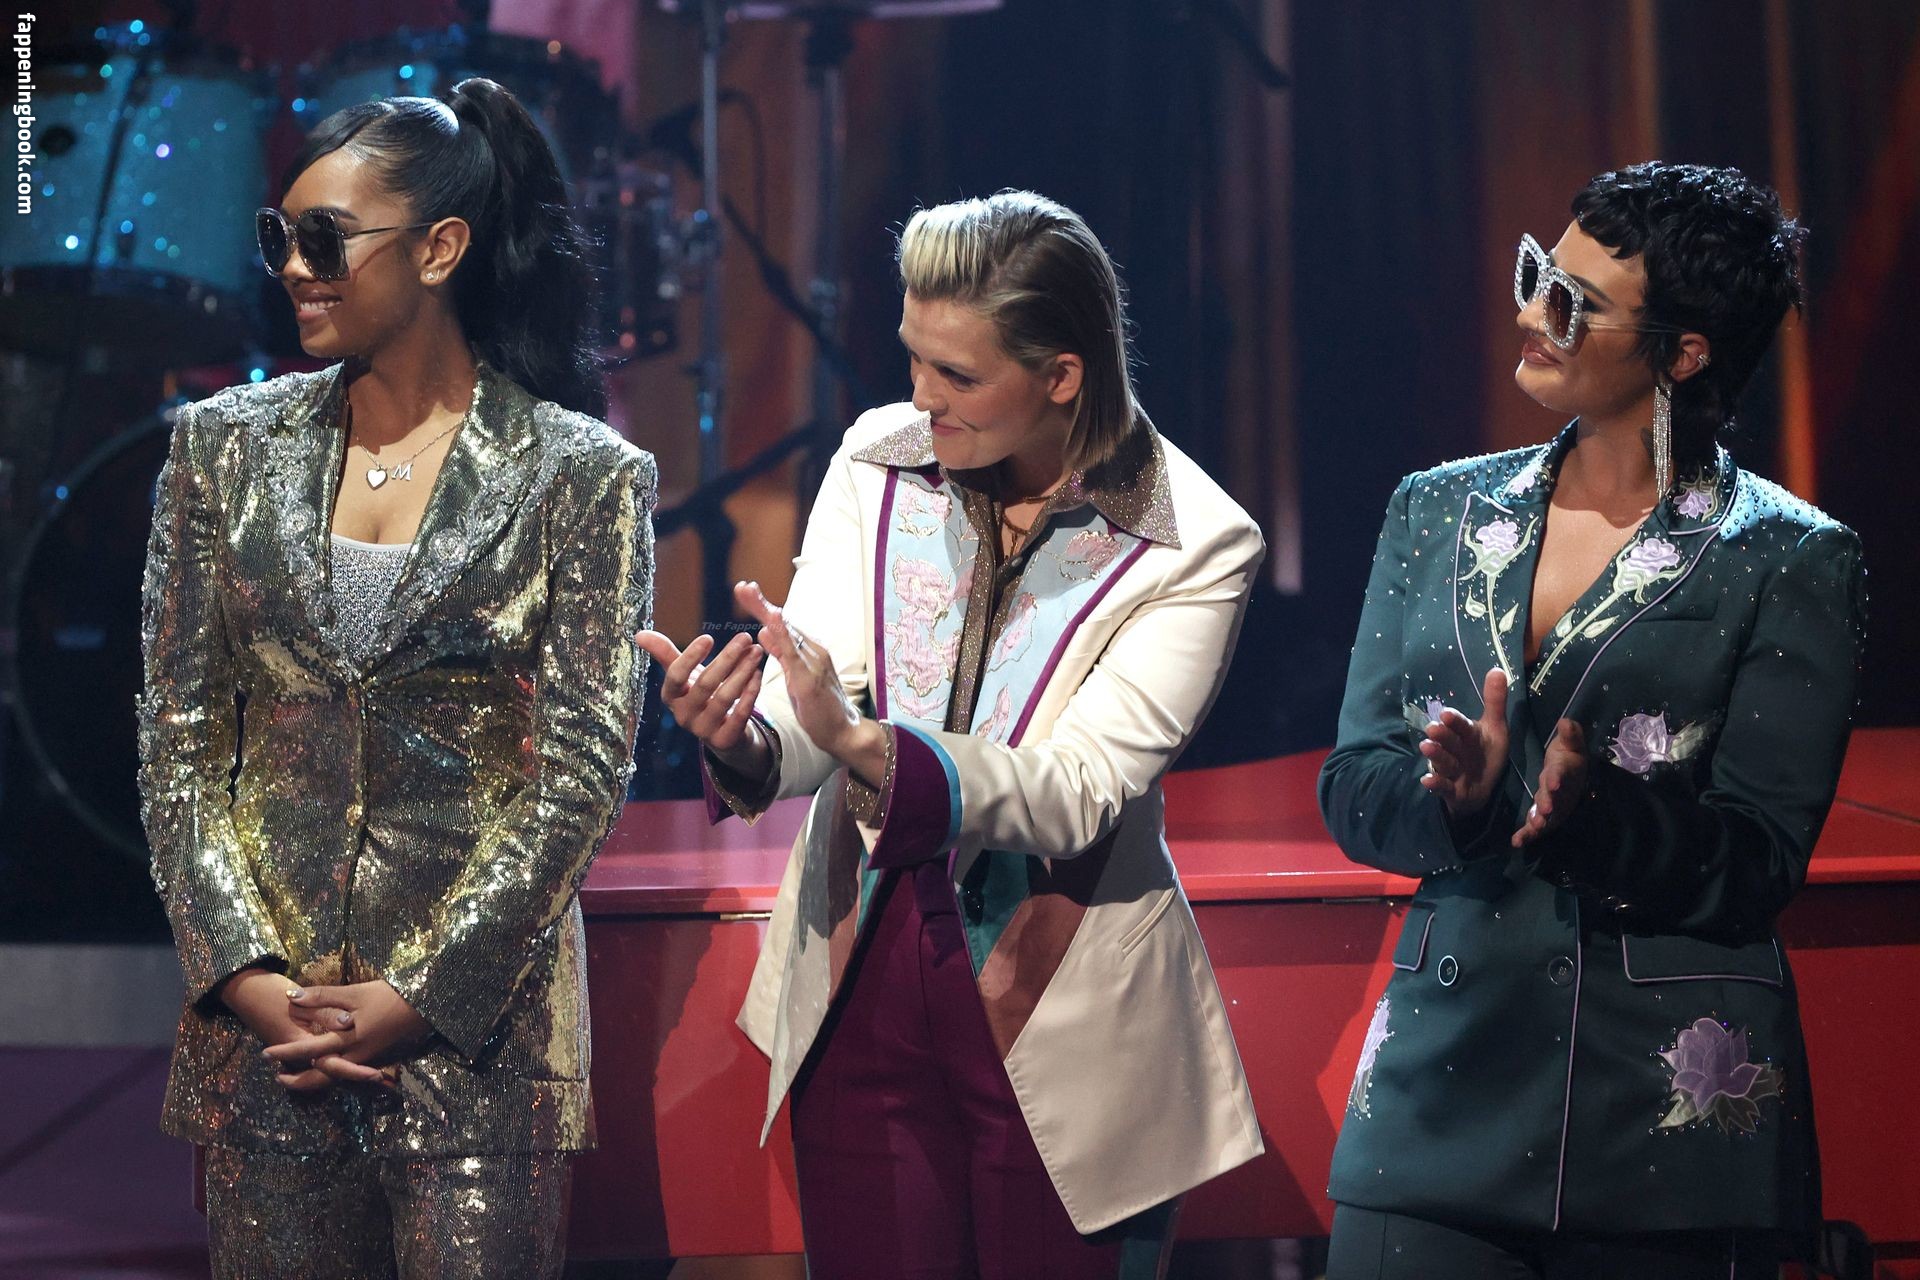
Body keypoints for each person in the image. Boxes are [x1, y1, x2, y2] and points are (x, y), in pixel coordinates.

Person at [639, 190, 1265, 1278]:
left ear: (1062, 375)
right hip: (859, 974)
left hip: (1061, 998)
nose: (922, 396)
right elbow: (819, 699)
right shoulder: (876, 462)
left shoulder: (1196, 540)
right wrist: (746, 737)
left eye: (958, 376)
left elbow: (1080, 788)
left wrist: (867, 746)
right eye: (913, 359)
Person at [136, 78, 655, 1279]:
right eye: (279, 237)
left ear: (439, 248)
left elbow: (581, 770)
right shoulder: (219, 448)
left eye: (325, 239)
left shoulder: (584, 475)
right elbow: (178, 736)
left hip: (479, 1046)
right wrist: (247, 976)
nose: (294, 268)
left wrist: (419, 991)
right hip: (268, 1045)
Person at [1318, 162, 1866, 1279]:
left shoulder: (1792, 554)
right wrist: (1454, 803)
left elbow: (1761, 858)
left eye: (1574, 301)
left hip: (1661, 1119)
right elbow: (1353, 780)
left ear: (1684, 352)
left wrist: (1598, 819)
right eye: (1537, 276)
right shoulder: (1438, 507)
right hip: (1439, 1086)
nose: (1533, 312)